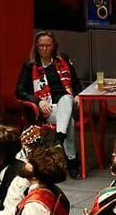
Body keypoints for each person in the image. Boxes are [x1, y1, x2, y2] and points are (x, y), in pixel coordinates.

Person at [16, 31, 83, 178]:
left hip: (68, 104)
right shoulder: (30, 65)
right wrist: (38, 101)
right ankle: (71, 160)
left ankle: (59, 139)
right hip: (48, 108)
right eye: (41, 46)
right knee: (69, 122)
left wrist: (78, 95)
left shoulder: (63, 59)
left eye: (48, 45)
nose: (45, 49)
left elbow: (76, 83)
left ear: (53, 46)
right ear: (36, 47)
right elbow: (19, 91)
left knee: (66, 98)